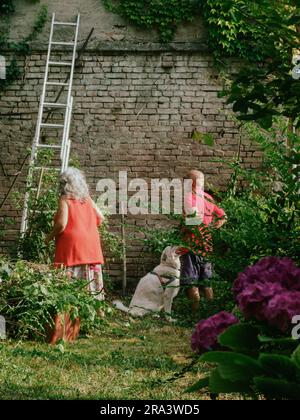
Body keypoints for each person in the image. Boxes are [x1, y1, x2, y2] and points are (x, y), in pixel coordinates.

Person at [45, 167, 105, 300]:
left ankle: (70, 308)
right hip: (91, 245)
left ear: (63, 183)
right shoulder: (87, 199)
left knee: (68, 288)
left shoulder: (65, 199)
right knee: (91, 278)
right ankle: (96, 309)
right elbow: (100, 218)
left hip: (72, 247)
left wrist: (48, 238)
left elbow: (61, 224)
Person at [180, 169, 227, 316]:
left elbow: (192, 221)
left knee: (191, 282)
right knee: (207, 282)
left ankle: (195, 316)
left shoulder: (189, 197)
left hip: (191, 246)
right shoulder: (208, 198)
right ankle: (211, 316)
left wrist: (186, 225)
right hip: (206, 246)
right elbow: (223, 216)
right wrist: (213, 226)